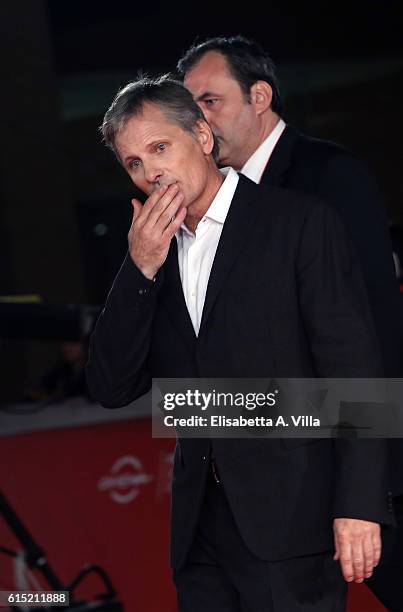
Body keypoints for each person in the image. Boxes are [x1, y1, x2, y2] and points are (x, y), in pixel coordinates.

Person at [86, 76, 393, 612]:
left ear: (202, 136)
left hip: (294, 523)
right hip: (200, 532)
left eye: (160, 147)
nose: (150, 171)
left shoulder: (298, 223)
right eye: (133, 163)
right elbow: (111, 386)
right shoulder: (152, 254)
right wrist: (139, 268)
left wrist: (361, 505)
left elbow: (354, 370)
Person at [177, 36, 403, 609]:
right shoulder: (208, 206)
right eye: (188, 108)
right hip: (272, 487)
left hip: (358, 463)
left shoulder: (327, 175)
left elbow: (368, 331)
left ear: (259, 96)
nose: (197, 122)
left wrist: (364, 485)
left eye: (209, 101)